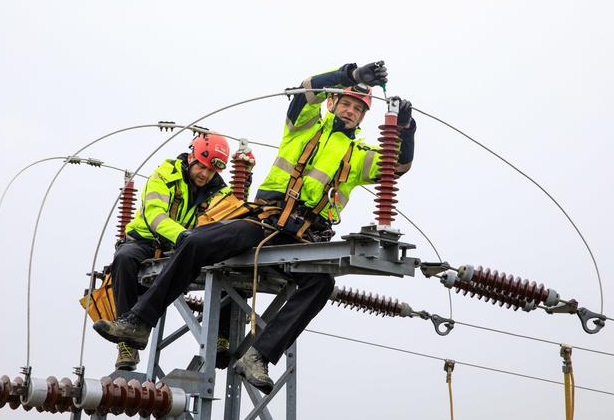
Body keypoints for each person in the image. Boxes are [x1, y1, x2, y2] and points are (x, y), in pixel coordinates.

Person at [94, 61, 416, 395]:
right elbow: (306, 90)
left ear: (363, 118)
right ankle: (138, 322)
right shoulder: (303, 128)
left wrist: (406, 130)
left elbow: (397, 166)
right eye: (345, 103)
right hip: (263, 222)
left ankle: (258, 356)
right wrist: (349, 75)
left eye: (357, 109)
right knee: (197, 242)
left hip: (304, 238)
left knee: (320, 284)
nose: (350, 112)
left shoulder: (357, 155)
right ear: (332, 102)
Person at [104, 132, 232, 371]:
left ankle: (221, 337)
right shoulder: (164, 175)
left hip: (186, 246)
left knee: (231, 263)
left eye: (212, 171)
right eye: (202, 168)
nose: (205, 175)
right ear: (191, 158)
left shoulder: (220, 192)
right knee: (124, 258)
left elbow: (224, 219)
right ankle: (127, 340)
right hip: (147, 240)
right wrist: (183, 236)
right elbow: (155, 216)